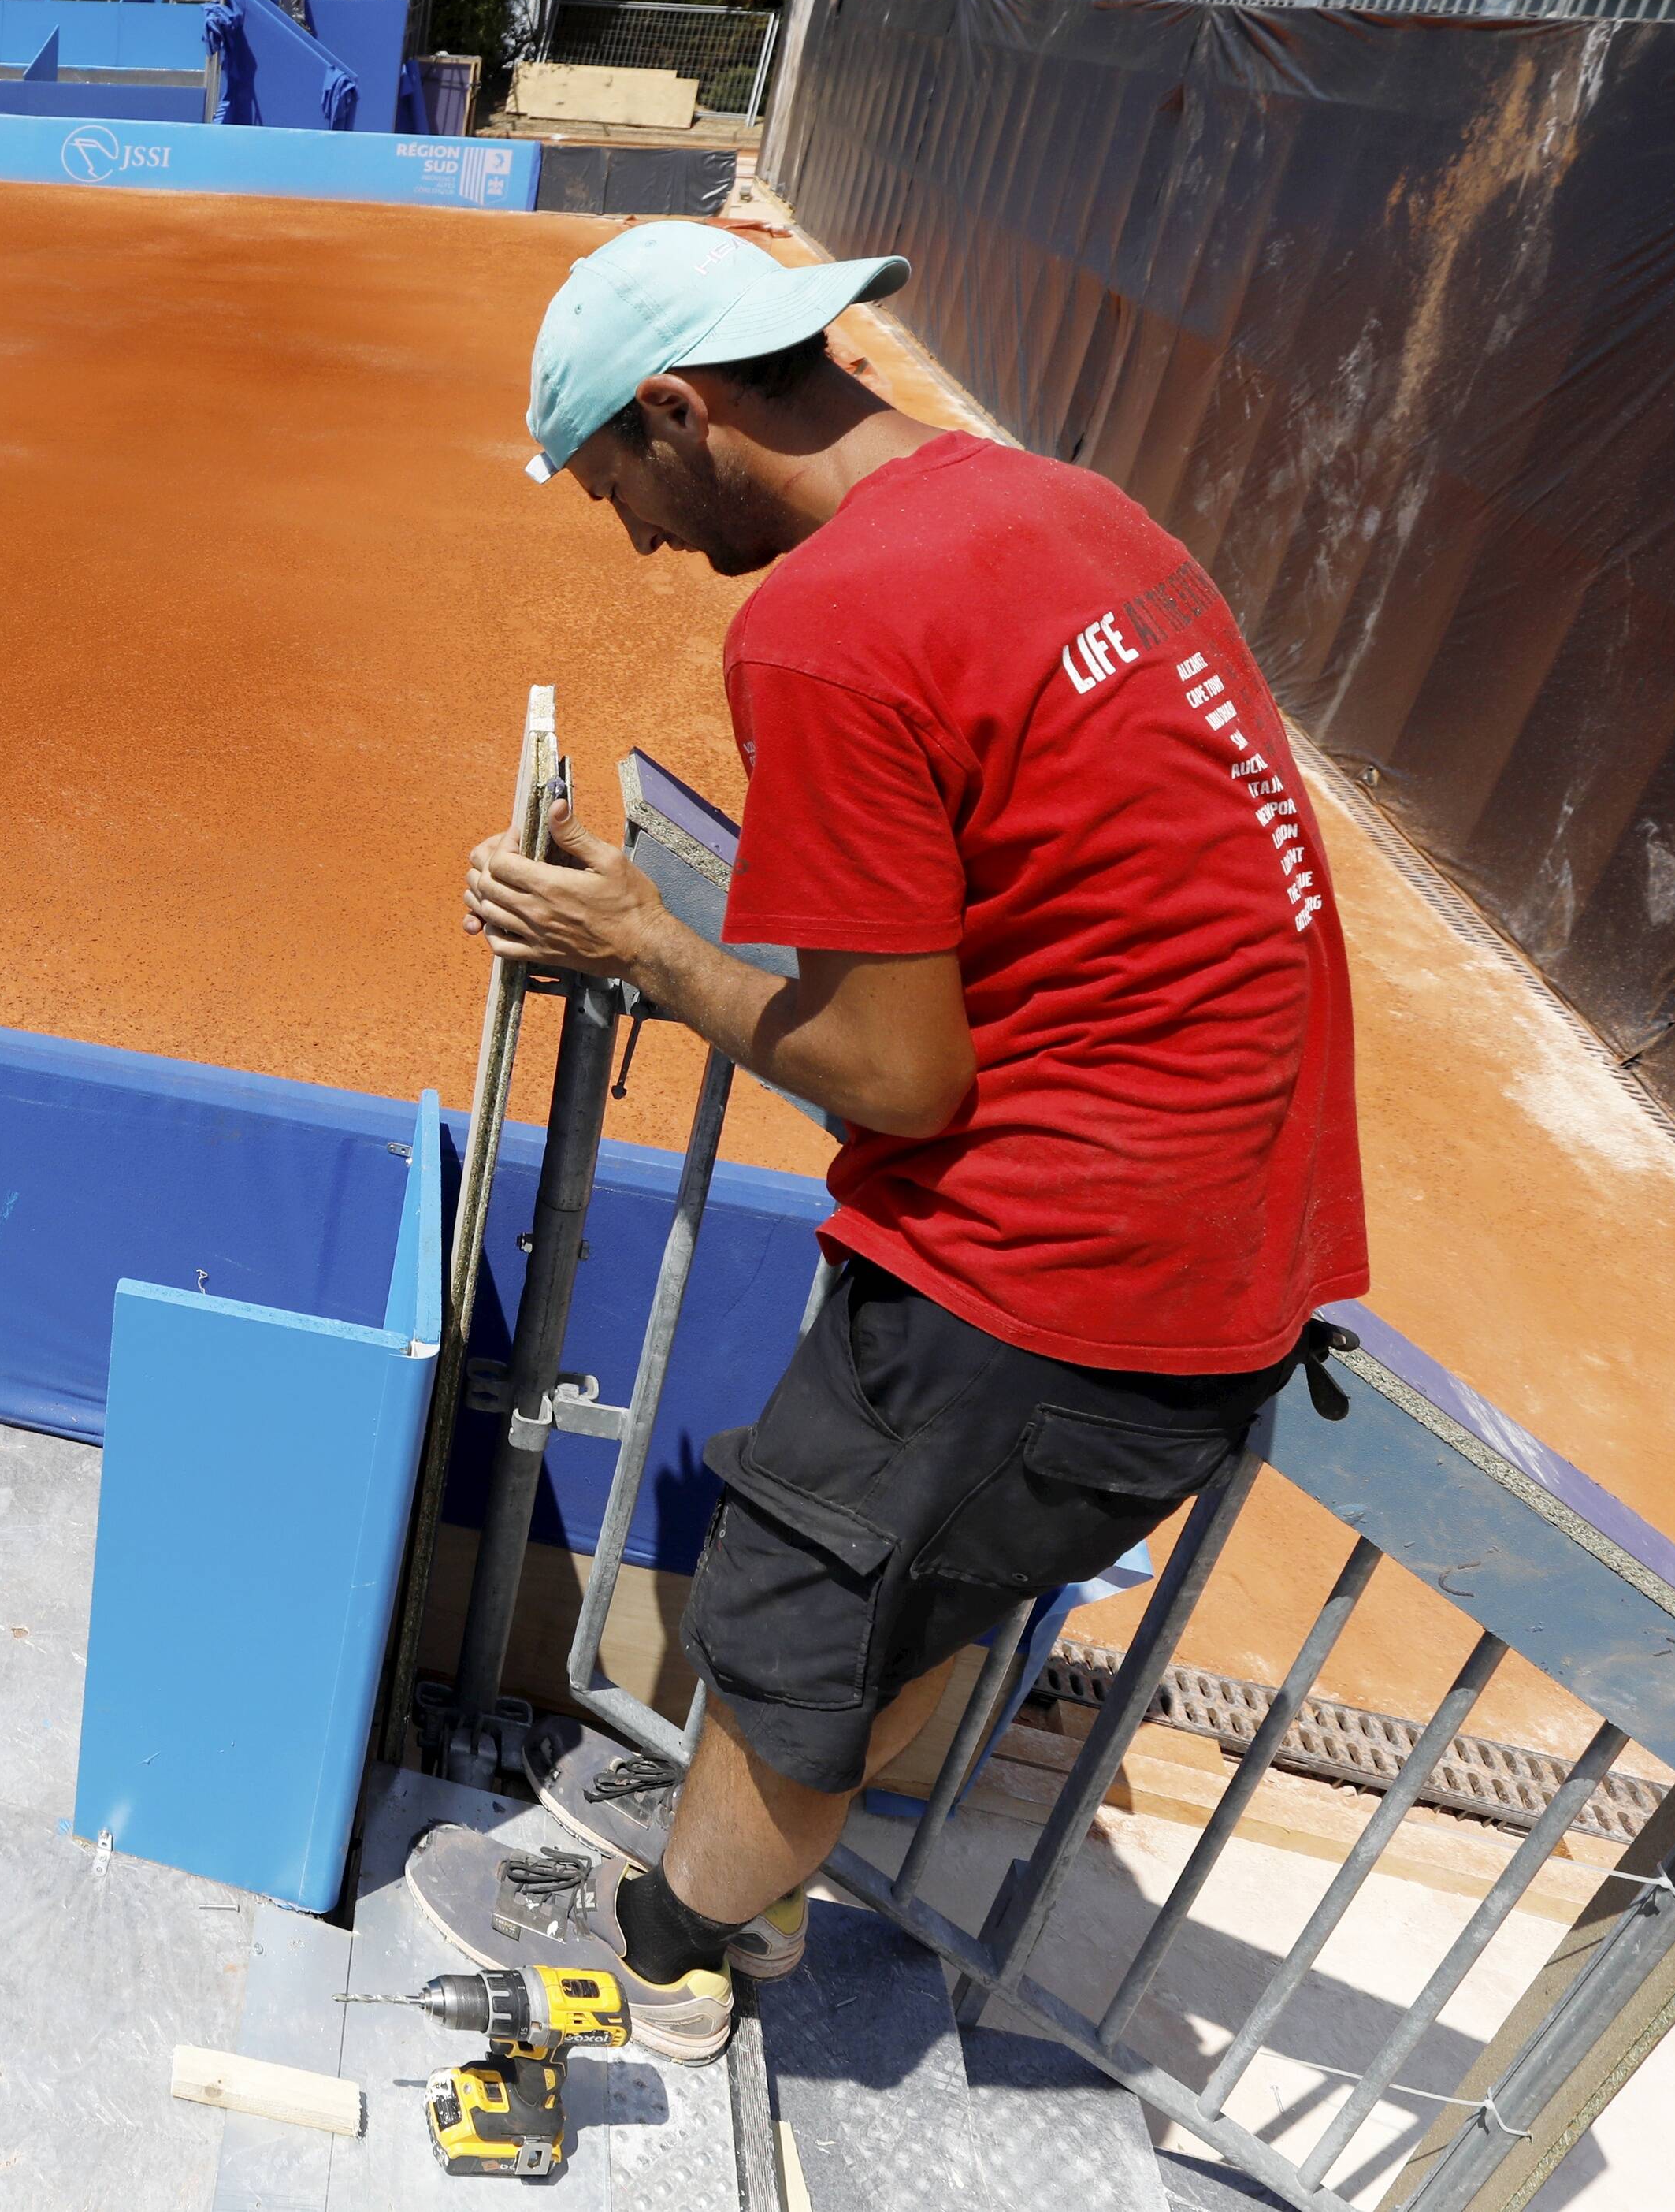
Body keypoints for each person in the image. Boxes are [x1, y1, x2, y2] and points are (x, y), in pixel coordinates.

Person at [422, 222, 1368, 2062]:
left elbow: (896, 1070)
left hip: (1051, 1273)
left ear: (679, 411)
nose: (633, 534)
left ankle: (672, 1951)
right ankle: (760, 1870)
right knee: (915, 1586)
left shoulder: (828, 623)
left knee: (792, 1619)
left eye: (617, 475)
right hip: (1225, 1239)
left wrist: (643, 948)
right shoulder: (1060, 507)